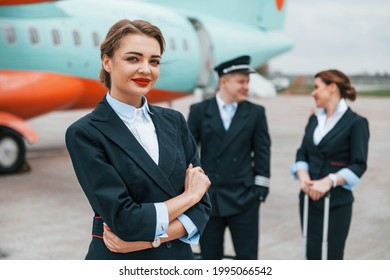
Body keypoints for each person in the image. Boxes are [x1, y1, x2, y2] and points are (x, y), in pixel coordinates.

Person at [65, 19, 211, 260]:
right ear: (107, 62)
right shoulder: (85, 133)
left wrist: (150, 241)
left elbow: (202, 207)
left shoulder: (175, 121)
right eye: (133, 59)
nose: (146, 69)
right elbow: (125, 220)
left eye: (154, 61)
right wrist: (189, 196)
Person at [187, 55, 271, 260]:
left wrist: (259, 191)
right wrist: (192, 191)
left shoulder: (255, 112)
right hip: (209, 198)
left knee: (248, 258)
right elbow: (188, 152)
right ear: (224, 81)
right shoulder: (199, 111)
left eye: (248, 82)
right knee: (210, 257)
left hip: (244, 197)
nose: (246, 87)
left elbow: (262, 152)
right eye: (241, 82)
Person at [290, 69, 370, 260]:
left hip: (336, 203)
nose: (313, 92)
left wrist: (328, 181)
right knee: (310, 254)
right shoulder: (314, 119)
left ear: (332, 87)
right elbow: (302, 153)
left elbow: (358, 164)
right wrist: (304, 179)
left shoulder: (356, 123)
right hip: (308, 199)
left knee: (331, 257)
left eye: (317, 87)